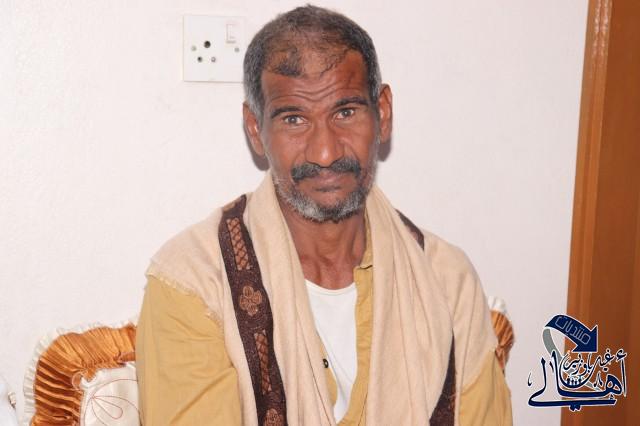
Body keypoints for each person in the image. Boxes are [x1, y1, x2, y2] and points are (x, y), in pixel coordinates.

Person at [136, 5, 512, 425]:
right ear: (256, 129)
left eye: (345, 112)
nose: (326, 152)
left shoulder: (446, 281)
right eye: (294, 119)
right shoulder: (195, 282)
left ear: (383, 113)